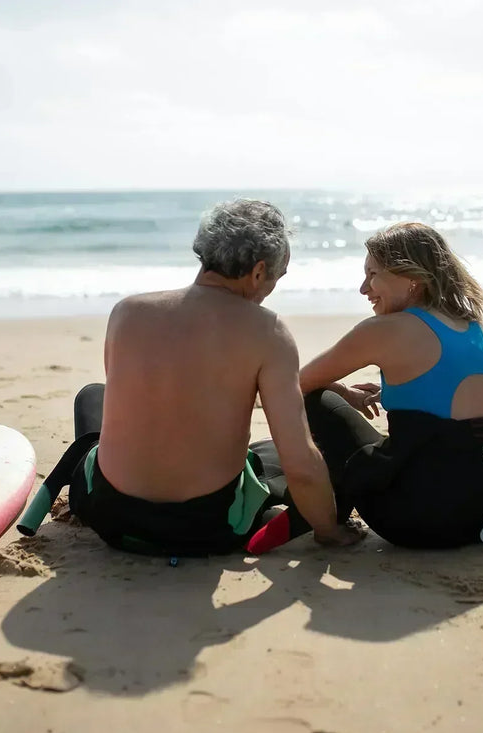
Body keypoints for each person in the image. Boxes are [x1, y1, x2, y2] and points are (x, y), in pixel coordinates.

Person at [66, 199, 363, 557]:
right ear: (257, 272)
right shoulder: (268, 331)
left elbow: (150, 398)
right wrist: (328, 530)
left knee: (94, 397)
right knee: (290, 456)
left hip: (111, 517)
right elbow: (300, 464)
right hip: (205, 527)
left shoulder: (127, 311)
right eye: (276, 277)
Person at [248, 222, 483, 556]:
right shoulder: (468, 321)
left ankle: (329, 519)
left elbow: (295, 384)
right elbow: (463, 409)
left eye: (373, 274)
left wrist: (342, 392)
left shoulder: (383, 331)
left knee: (316, 400)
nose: (363, 288)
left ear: (413, 278)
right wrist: (389, 394)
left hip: (421, 522)